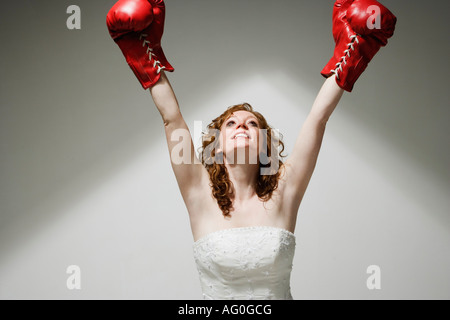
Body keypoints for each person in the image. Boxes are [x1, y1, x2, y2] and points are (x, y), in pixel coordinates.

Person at [106, 0, 396, 300]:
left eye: (253, 124)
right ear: (217, 148)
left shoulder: (286, 189)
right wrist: (139, 51)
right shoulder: (197, 191)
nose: (242, 126)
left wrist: (354, 52)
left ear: (266, 146)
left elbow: (317, 119)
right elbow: (171, 119)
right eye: (231, 124)